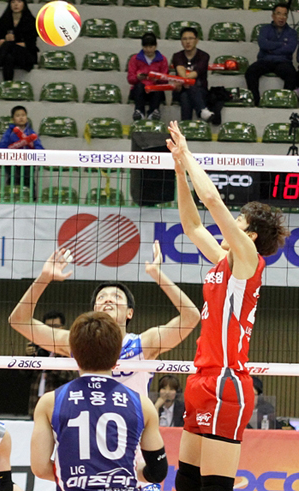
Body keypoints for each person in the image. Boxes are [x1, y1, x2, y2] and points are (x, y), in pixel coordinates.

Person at [166, 120, 289, 491]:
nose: (227, 224)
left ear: (249, 235)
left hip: (225, 380)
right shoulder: (225, 261)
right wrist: (179, 172)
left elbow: (212, 201)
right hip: (202, 377)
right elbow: (192, 226)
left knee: (214, 485)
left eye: (237, 221)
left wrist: (187, 154)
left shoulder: (249, 260)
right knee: (186, 481)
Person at [9, 242, 201, 397]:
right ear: (94, 310)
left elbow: (191, 317)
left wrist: (158, 275)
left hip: (133, 432)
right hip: (91, 429)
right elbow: (19, 321)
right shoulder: (77, 342)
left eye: (117, 297)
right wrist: (44, 278)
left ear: (130, 313)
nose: (108, 299)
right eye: (101, 297)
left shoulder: (143, 344)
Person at [30, 311, 168, 488]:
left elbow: (40, 468)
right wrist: (126, 472)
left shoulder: (50, 402)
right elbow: (157, 472)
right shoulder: (142, 404)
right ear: (117, 355)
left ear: (74, 355)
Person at [26, 311, 77, 417]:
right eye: (48, 327)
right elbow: (24, 374)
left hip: (59, 405)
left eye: (55, 326)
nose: (52, 330)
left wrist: (50, 365)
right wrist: (29, 357)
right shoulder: (38, 349)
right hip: (35, 403)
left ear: (63, 328)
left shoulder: (69, 350)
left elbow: (72, 376)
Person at [245, 3, 297, 107]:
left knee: (292, 75)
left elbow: (290, 49)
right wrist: (281, 44)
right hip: (265, 60)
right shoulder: (264, 29)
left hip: (283, 62)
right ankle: (256, 101)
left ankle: (285, 100)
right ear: (273, 15)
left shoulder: (292, 33)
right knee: (250, 72)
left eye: (284, 15)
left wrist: (270, 49)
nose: (281, 17)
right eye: (279, 14)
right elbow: (263, 44)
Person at [0, 0, 37, 83]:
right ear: (10, 4)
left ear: (24, 4)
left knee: (9, 45)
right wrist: (5, 39)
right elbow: (0, 42)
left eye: (19, 2)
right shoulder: (3, 20)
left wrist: (11, 43)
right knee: (8, 57)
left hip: (25, 55)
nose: (16, 4)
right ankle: (8, 84)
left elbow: (30, 44)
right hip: (6, 53)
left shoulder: (31, 21)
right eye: (13, 2)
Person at [0, 105, 43, 191]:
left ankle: (31, 196)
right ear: (13, 119)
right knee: (13, 179)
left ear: (27, 118)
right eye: (18, 115)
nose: (21, 118)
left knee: (28, 180)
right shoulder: (9, 133)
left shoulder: (31, 133)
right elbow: (2, 145)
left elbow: (39, 147)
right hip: (12, 162)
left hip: (28, 162)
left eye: (23, 115)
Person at [171, 27, 213, 122]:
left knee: (186, 96)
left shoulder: (204, 56)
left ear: (196, 40)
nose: (188, 42)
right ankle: (202, 110)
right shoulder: (177, 56)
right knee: (186, 90)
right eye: (184, 39)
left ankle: (185, 125)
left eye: (190, 38)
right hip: (180, 90)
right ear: (181, 41)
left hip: (200, 90)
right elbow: (180, 70)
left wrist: (185, 80)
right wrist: (185, 80)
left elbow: (196, 73)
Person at [127, 32, 169, 121]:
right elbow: (130, 78)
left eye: (151, 47)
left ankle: (153, 112)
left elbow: (165, 80)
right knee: (139, 86)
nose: (148, 50)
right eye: (146, 47)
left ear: (155, 46)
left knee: (157, 88)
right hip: (139, 90)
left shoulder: (163, 59)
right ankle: (139, 111)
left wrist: (158, 78)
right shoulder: (135, 59)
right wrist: (137, 77)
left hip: (155, 90)